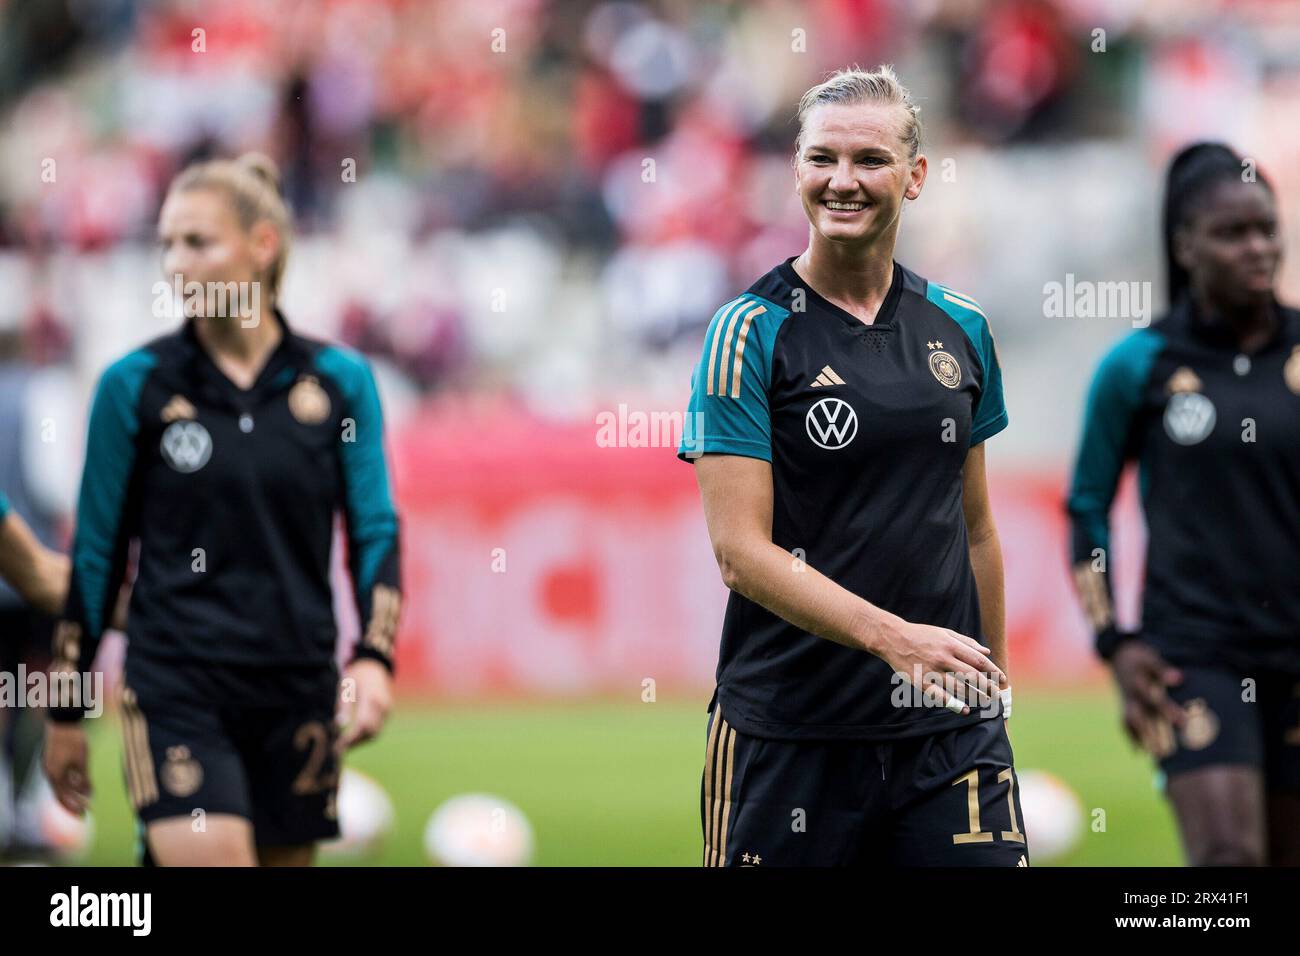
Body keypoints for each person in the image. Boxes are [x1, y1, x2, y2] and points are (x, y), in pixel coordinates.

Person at [677, 66, 1023, 867]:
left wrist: (991, 693)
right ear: (795, 169)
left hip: (945, 739)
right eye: (820, 159)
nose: (842, 181)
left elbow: (975, 528)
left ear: (915, 176)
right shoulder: (747, 333)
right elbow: (739, 553)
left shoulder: (962, 328)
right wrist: (891, 639)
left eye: (869, 160)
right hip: (787, 736)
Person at [43, 153, 402, 866]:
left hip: (297, 686)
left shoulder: (339, 384)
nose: (175, 263)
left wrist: (374, 658)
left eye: (197, 242)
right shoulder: (133, 387)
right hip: (178, 684)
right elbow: (96, 558)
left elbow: (374, 527)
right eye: (166, 244)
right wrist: (64, 708)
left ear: (262, 245)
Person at [1067, 142, 1300, 866]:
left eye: (1267, 228)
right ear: (1186, 245)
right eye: (1234, 233)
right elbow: (1087, 507)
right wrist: (1116, 641)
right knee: (1228, 863)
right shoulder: (1138, 365)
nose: (1258, 247)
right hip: (1195, 655)